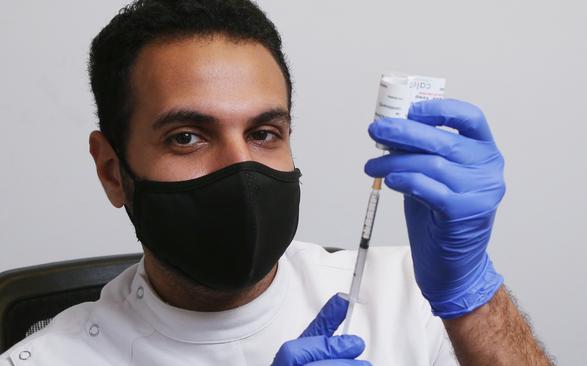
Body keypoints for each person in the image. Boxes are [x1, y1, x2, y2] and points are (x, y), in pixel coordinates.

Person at [1, 0, 555, 365]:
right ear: (111, 170)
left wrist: (471, 295)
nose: (241, 171)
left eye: (265, 132)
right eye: (187, 137)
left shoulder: (408, 297)